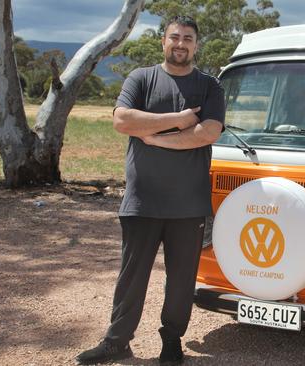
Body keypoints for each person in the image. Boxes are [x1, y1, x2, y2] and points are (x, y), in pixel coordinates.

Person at [76, 15, 225, 366]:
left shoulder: (210, 86)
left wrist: (153, 137)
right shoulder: (141, 78)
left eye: (188, 38)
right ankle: (116, 342)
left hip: (188, 204)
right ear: (163, 41)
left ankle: (171, 341)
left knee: (180, 281)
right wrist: (178, 119)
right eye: (175, 37)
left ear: (196, 45)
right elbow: (122, 120)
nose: (181, 43)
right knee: (132, 276)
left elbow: (208, 133)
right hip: (141, 201)